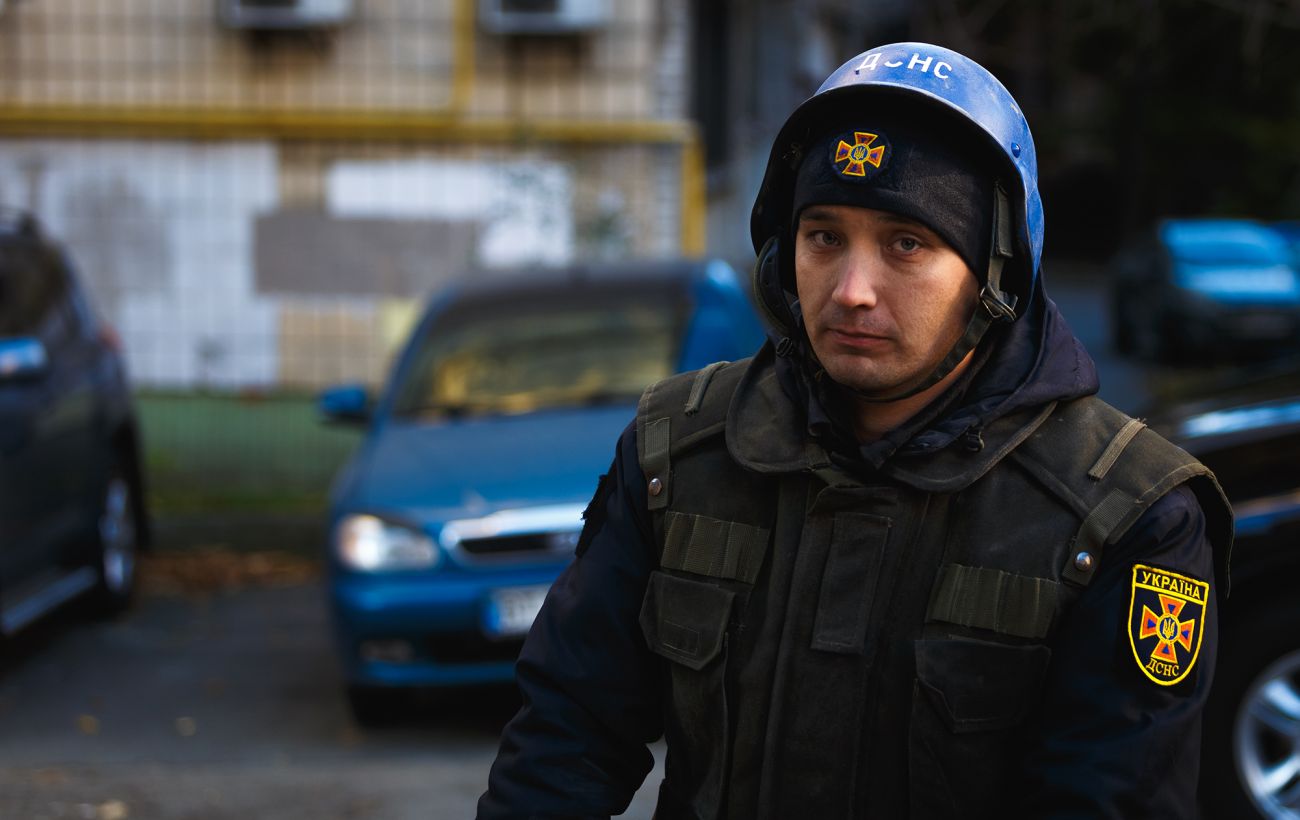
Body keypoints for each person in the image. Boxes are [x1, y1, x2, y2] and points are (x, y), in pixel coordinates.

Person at [478, 41, 1233, 819]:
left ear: (996, 274)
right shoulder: (678, 452)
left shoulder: (1129, 519)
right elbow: (563, 742)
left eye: (906, 244)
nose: (852, 291)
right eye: (824, 237)